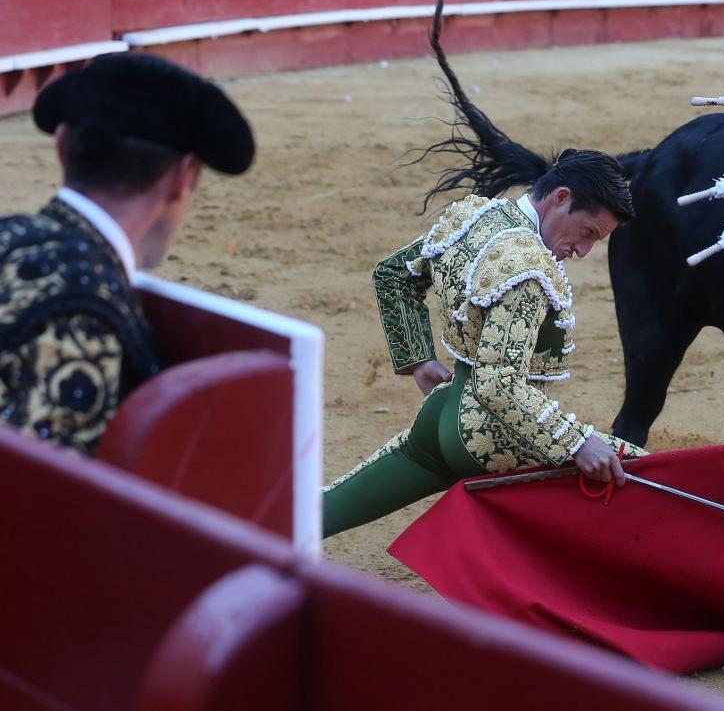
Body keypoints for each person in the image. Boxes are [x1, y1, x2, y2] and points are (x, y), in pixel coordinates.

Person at [323, 149, 646, 537]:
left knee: (323, 511)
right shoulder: (528, 267)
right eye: (588, 232)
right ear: (560, 198)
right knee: (654, 478)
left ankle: (239, 537)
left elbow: (394, 275)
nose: (582, 250)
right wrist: (577, 443)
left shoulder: (474, 217)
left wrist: (419, 360)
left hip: (440, 417)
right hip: (494, 437)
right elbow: (498, 385)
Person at [0, 53, 255, 455]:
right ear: (183, 178)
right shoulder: (89, 314)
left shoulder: (6, 234)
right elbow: (38, 500)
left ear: (63, 146)